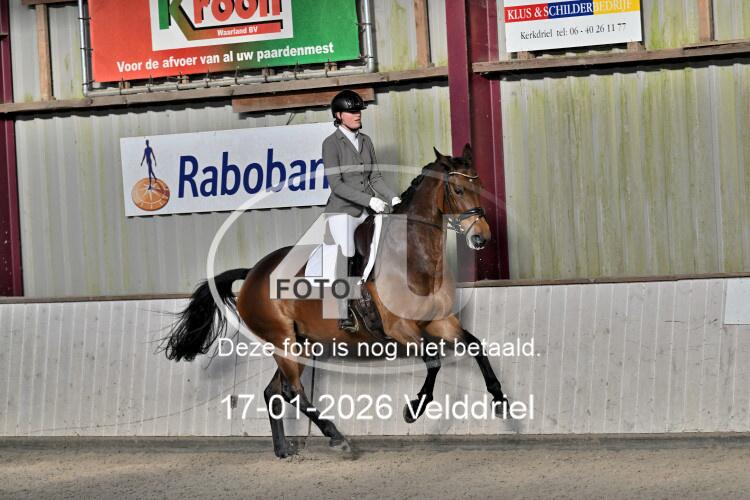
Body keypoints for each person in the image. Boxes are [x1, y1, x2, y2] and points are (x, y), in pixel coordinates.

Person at [321, 89, 401, 332]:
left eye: (359, 111)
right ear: (339, 115)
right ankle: (341, 309)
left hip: (366, 210)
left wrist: (393, 197)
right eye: (352, 112)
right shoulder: (331, 144)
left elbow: (375, 177)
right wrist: (369, 200)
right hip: (341, 211)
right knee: (346, 250)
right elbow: (337, 185)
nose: (357, 115)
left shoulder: (365, 140)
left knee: (384, 246)